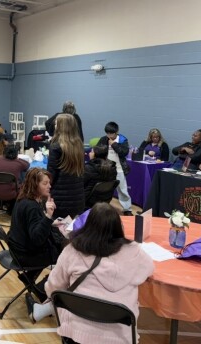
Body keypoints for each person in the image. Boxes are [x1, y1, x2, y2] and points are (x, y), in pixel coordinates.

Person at [41, 203, 154, 343]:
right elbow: (149, 269)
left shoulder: (72, 251)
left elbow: (53, 288)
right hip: (120, 336)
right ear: (118, 227)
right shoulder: (134, 252)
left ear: (88, 225)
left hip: (76, 332)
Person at [8, 168, 65, 304]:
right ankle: (41, 290)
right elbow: (37, 239)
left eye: (49, 183)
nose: (49, 186)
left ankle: (28, 277)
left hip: (16, 248)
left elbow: (32, 227)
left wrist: (48, 221)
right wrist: (48, 216)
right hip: (26, 254)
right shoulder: (32, 206)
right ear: (35, 185)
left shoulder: (24, 198)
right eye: (45, 183)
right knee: (65, 258)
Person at [46, 113, 84, 219]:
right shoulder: (79, 146)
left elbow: (51, 174)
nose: (54, 126)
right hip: (78, 196)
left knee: (59, 229)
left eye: (56, 124)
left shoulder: (55, 147)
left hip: (60, 198)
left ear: (61, 127)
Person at [97, 121, 133, 216]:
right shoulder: (103, 139)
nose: (109, 135)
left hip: (119, 168)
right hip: (107, 168)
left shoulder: (122, 140)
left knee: (123, 190)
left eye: (111, 133)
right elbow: (98, 151)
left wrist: (113, 144)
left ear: (116, 131)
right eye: (107, 133)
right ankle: (102, 208)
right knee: (105, 188)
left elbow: (124, 152)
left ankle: (127, 209)